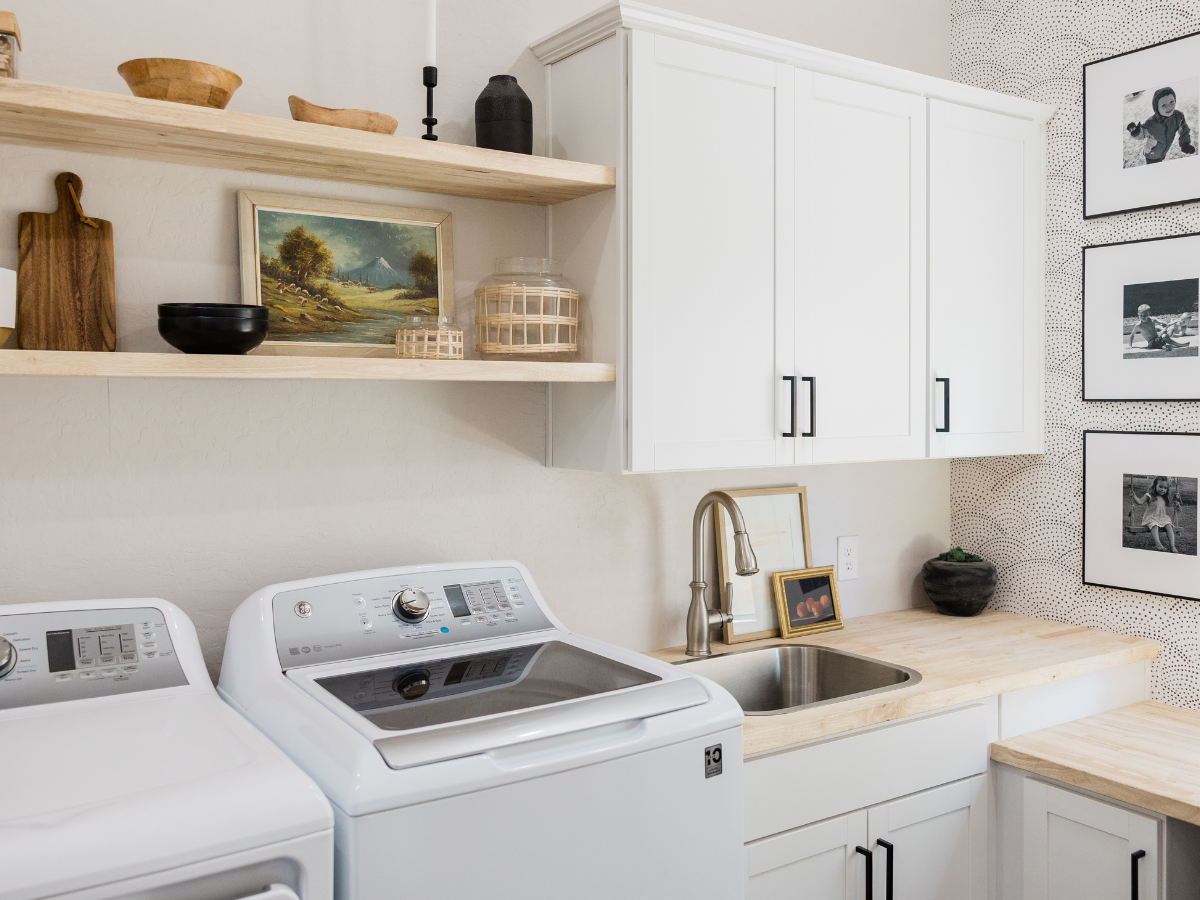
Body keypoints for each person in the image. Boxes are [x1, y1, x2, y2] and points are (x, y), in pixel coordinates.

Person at [1127, 87, 1196, 165]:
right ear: (1157, 108)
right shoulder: (1151, 123)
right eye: (1163, 105)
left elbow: (1183, 130)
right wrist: (1136, 132)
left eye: (1171, 102)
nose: (1169, 106)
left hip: (1163, 152)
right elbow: (1142, 134)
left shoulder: (1178, 117)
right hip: (1152, 155)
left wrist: (1185, 144)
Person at [1127, 475, 1181, 553]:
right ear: (1155, 485)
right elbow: (1140, 501)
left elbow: (1169, 505)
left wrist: (1175, 499)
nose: (1163, 489)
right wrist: (1134, 496)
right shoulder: (1149, 495)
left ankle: (1172, 546)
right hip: (1151, 517)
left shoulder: (1164, 497)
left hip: (1162, 517)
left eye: (1165, 488)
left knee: (1169, 526)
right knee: (1154, 525)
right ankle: (1158, 544)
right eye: (1160, 486)